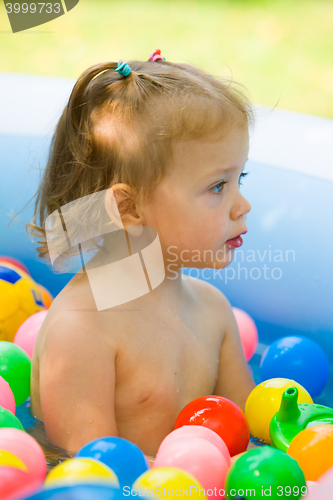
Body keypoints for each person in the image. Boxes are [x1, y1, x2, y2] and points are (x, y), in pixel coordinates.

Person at [28, 50, 256, 465]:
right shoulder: (82, 332)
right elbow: (91, 476)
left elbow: (250, 443)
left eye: (239, 178)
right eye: (218, 186)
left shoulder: (213, 311)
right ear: (129, 209)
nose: (244, 205)